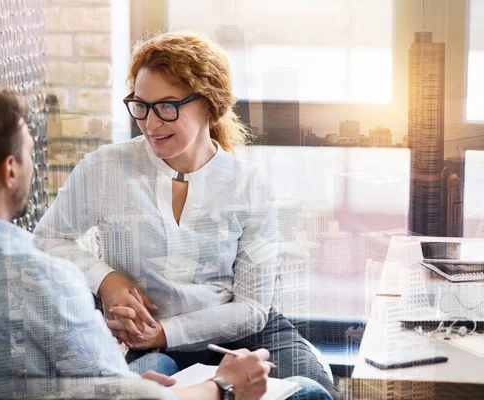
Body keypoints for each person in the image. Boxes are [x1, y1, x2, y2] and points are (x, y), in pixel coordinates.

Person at [0, 84, 275, 400]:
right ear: (10, 170)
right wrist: (223, 385)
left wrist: (127, 386)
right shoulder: (44, 281)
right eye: (28, 152)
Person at [34, 32, 337, 400]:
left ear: (209, 106)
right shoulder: (106, 169)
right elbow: (47, 240)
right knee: (146, 387)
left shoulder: (248, 185)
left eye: (167, 106)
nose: (150, 123)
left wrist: (164, 331)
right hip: (146, 343)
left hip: (244, 333)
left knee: (313, 392)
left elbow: (253, 309)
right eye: (141, 105)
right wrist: (106, 279)